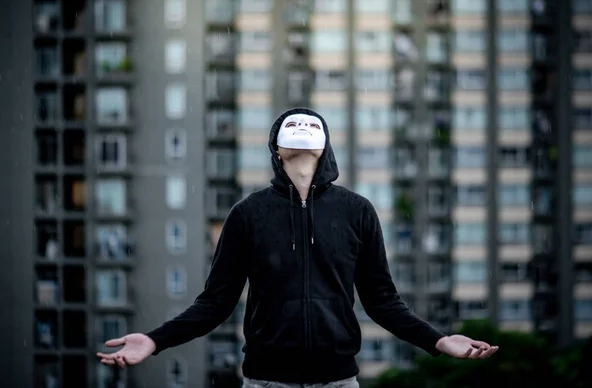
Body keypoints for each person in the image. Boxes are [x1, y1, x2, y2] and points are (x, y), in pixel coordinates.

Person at [97, 108, 499, 387]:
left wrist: (439, 341)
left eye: (311, 131)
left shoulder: (356, 211)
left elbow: (382, 301)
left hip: (339, 381)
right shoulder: (249, 214)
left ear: (324, 148)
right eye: (293, 131)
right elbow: (215, 304)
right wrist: (154, 341)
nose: (302, 136)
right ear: (276, 149)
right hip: (266, 381)